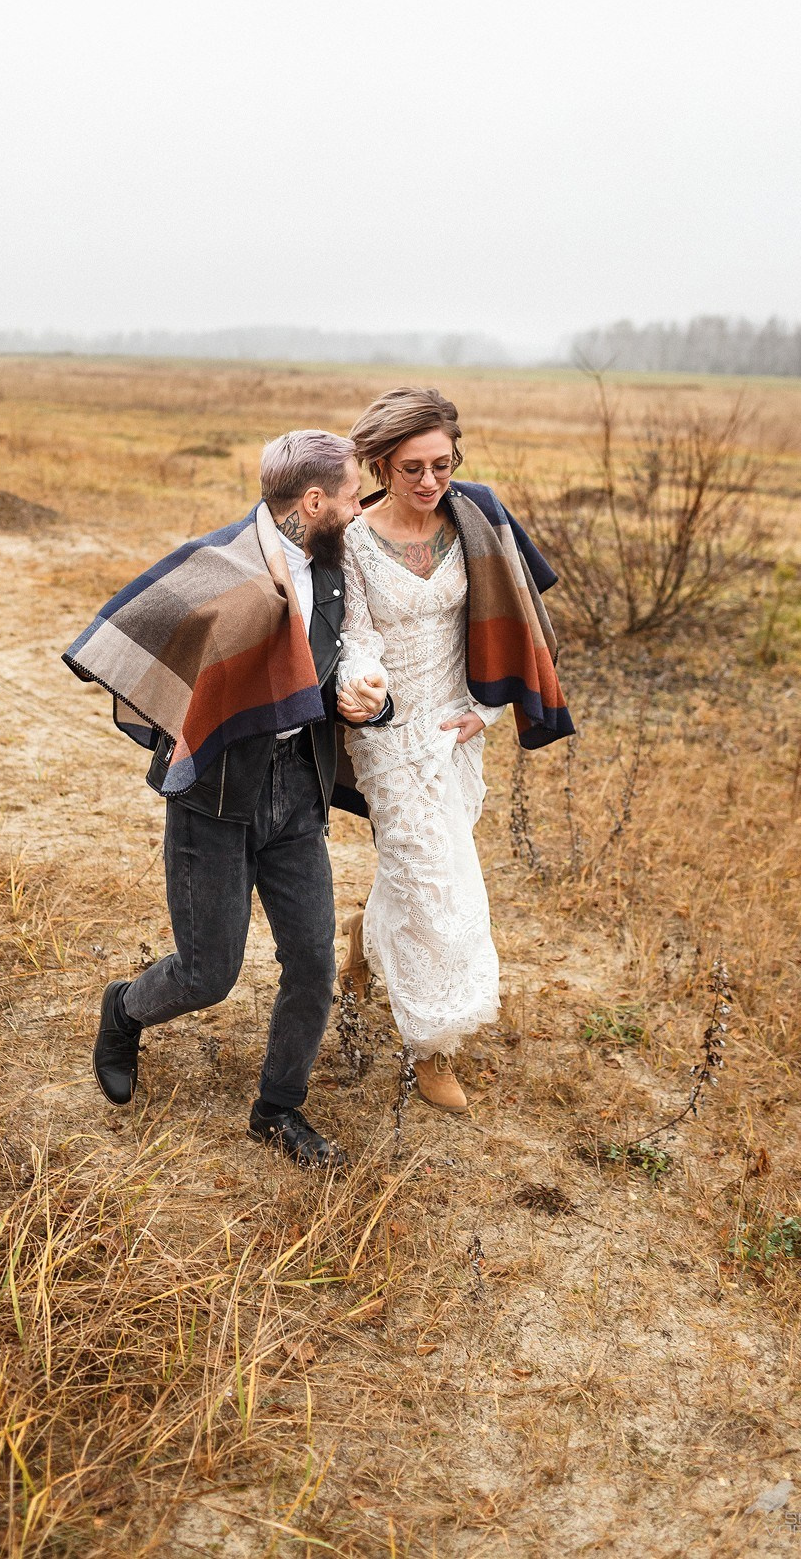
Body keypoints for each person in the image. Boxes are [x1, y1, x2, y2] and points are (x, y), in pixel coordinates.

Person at [62, 430, 388, 1167]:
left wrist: (365, 694)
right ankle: (124, 1009)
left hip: (297, 798)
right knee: (208, 974)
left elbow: (334, 666)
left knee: (311, 963)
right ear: (313, 501)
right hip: (214, 802)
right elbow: (143, 631)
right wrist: (184, 717)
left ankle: (278, 1110)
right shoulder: (218, 564)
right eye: (348, 496)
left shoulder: (334, 571)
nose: (358, 508)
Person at [335, 387, 573, 1112]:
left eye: (442, 463)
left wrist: (488, 709)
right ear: (379, 463)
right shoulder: (351, 538)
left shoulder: (474, 518)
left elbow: (508, 615)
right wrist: (361, 682)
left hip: (455, 726)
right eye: (411, 468)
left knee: (419, 867)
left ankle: (361, 941)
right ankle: (431, 1046)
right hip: (385, 729)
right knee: (441, 883)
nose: (431, 482)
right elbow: (354, 634)